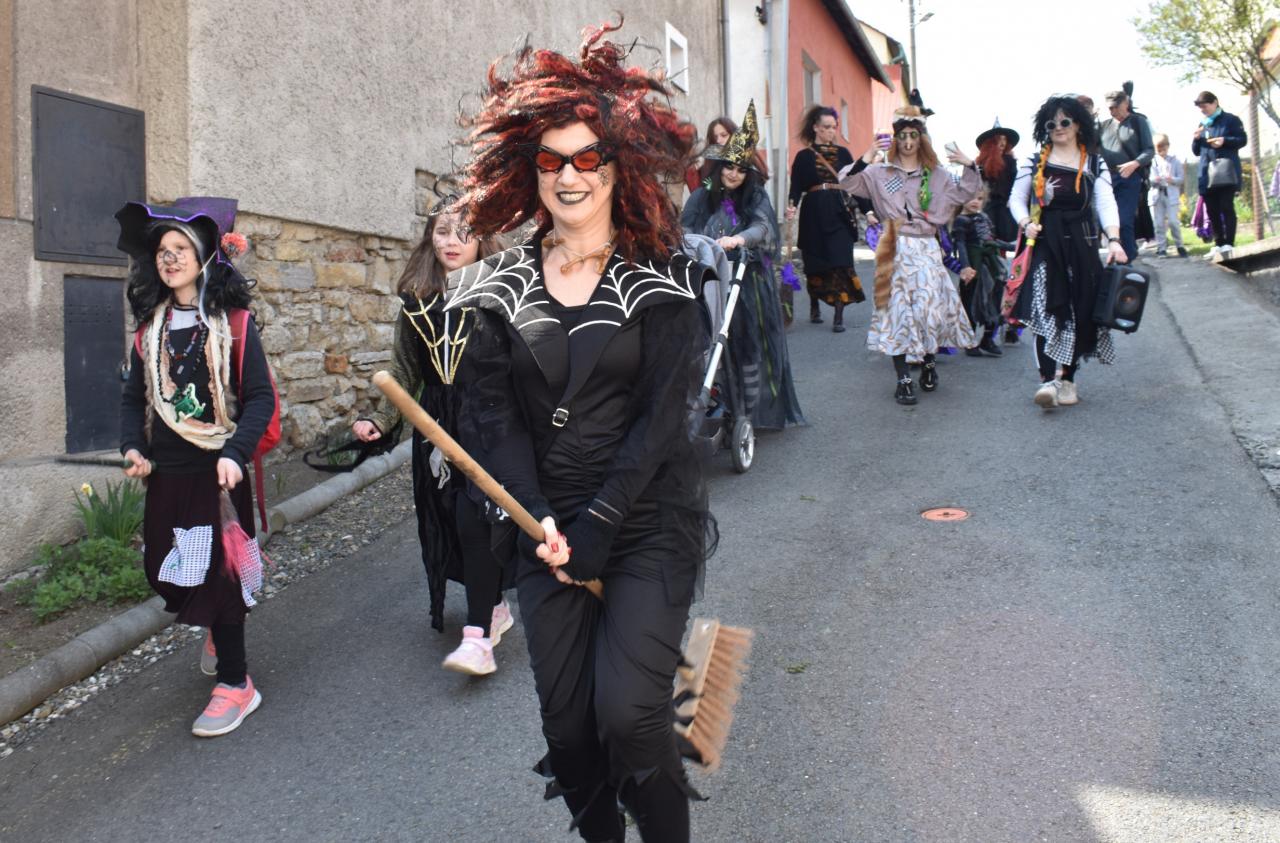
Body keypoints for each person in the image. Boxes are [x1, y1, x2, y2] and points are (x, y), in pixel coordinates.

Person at [448, 23, 713, 842]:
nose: (569, 175)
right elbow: (491, 416)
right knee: (569, 735)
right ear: (530, 173)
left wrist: (602, 518)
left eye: (587, 157)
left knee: (632, 715)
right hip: (545, 528)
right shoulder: (497, 287)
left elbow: (665, 415)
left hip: (643, 518)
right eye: (551, 160)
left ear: (618, 166)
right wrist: (539, 514)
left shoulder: (666, 277)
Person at [115, 197, 275, 737]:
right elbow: (131, 399)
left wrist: (235, 453)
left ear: (206, 256)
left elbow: (259, 399)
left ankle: (236, 683)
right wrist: (132, 448)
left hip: (217, 472)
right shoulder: (149, 331)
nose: (170, 258)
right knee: (162, 569)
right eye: (163, 250)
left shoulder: (235, 325)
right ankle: (214, 621)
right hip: (167, 473)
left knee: (220, 578)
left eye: (181, 247)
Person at [353, 197, 511, 675]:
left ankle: (477, 635)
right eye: (443, 230)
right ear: (430, 237)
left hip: (488, 417)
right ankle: (493, 604)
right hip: (436, 422)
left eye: (464, 231)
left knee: (475, 516)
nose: (452, 241)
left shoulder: (500, 291)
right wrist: (383, 420)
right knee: (447, 517)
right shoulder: (418, 298)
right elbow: (403, 369)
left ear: (482, 238)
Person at [837, 105, 981, 405]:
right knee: (897, 313)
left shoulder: (938, 175)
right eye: (902, 135)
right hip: (892, 245)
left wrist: (970, 164)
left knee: (928, 310)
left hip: (926, 246)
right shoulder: (878, 173)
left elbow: (966, 192)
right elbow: (847, 182)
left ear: (921, 138)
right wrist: (868, 154)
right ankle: (903, 379)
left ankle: (928, 362)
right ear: (895, 138)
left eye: (913, 135)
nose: (907, 141)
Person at [680, 100, 806, 430]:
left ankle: (749, 412)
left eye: (740, 168)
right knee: (713, 346)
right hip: (711, 278)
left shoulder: (755, 195)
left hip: (747, 281)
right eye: (728, 167)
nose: (733, 174)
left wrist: (739, 239)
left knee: (749, 346)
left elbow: (763, 227)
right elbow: (686, 224)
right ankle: (719, 404)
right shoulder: (704, 194)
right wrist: (691, 243)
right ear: (720, 167)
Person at [1009, 95, 1127, 409]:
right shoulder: (1034, 161)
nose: (1058, 128)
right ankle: (1048, 381)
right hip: (1046, 245)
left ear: (1078, 125)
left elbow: (1106, 203)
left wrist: (1114, 240)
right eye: (1051, 124)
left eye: (1065, 121)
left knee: (1079, 311)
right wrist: (1025, 222)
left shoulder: (1094, 163)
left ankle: (1069, 380)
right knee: (1045, 309)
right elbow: (1015, 199)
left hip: (1083, 245)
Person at [785, 104, 867, 331]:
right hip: (813, 213)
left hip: (839, 212)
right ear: (815, 128)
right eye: (826, 127)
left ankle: (839, 315)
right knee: (815, 263)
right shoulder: (803, 157)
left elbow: (856, 182)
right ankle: (814, 304)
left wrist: (868, 211)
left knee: (841, 263)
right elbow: (796, 187)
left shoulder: (843, 154)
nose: (831, 131)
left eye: (834, 127)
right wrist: (792, 205)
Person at [950, 186, 1008, 357]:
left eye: (980, 198)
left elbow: (992, 240)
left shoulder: (984, 217)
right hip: (973, 269)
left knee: (995, 302)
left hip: (991, 267)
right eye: (971, 198)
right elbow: (960, 245)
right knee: (971, 305)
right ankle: (969, 341)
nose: (975, 202)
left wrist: (1014, 246)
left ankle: (987, 339)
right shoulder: (961, 220)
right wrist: (966, 267)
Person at [1099, 83, 1154, 262]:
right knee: (1107, 220)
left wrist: (1135, 163)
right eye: (1110, 108)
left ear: (1125, 103)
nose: (1113, 111)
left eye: (1116, 106)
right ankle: (1119, 254)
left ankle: (1127, 258)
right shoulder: (1103, 126)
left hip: (1130, 177)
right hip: (1107, 177)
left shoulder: (1138, 122)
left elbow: (1149, 150)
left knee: (1124, 219)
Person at [1192, 90, 1247, 259]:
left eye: (1205, 106)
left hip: (1226, 172)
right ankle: (1219, 243)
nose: (1203, 110)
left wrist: (1225, 141)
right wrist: (1196, 138)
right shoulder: (1203, 124)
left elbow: (1242, 140)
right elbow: (1196, 151)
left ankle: (1229, 242)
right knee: (1212, 209)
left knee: (1226, 206)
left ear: (1215, 102)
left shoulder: (1231, 120)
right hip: (1207, 174)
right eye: (1201, 108)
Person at [975, 119, 1020, 243]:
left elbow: (1015, 183)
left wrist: (1013, 199)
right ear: (991, 143)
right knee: (988, 236)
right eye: (999, 139)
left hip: (1005, 205)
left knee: (1005, 236)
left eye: (1004, 139)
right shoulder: (981, 163)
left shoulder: (1010, 161)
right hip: (988, 205)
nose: (1002, 143)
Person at [1148, 134, 1188, 258]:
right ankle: (1161, 248)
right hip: (1156, 196)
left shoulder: (1175, 161)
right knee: (1158, 223)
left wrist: (1172, 179)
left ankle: (1179, 245)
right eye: (1158, 149)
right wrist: (1155, 179)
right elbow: (1149, 179)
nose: (1161, 152)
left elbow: (1181, 179)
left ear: (1168, 146)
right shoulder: (1152, 161)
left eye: (1163, 149)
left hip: (1171, 195)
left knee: (1173, 222)